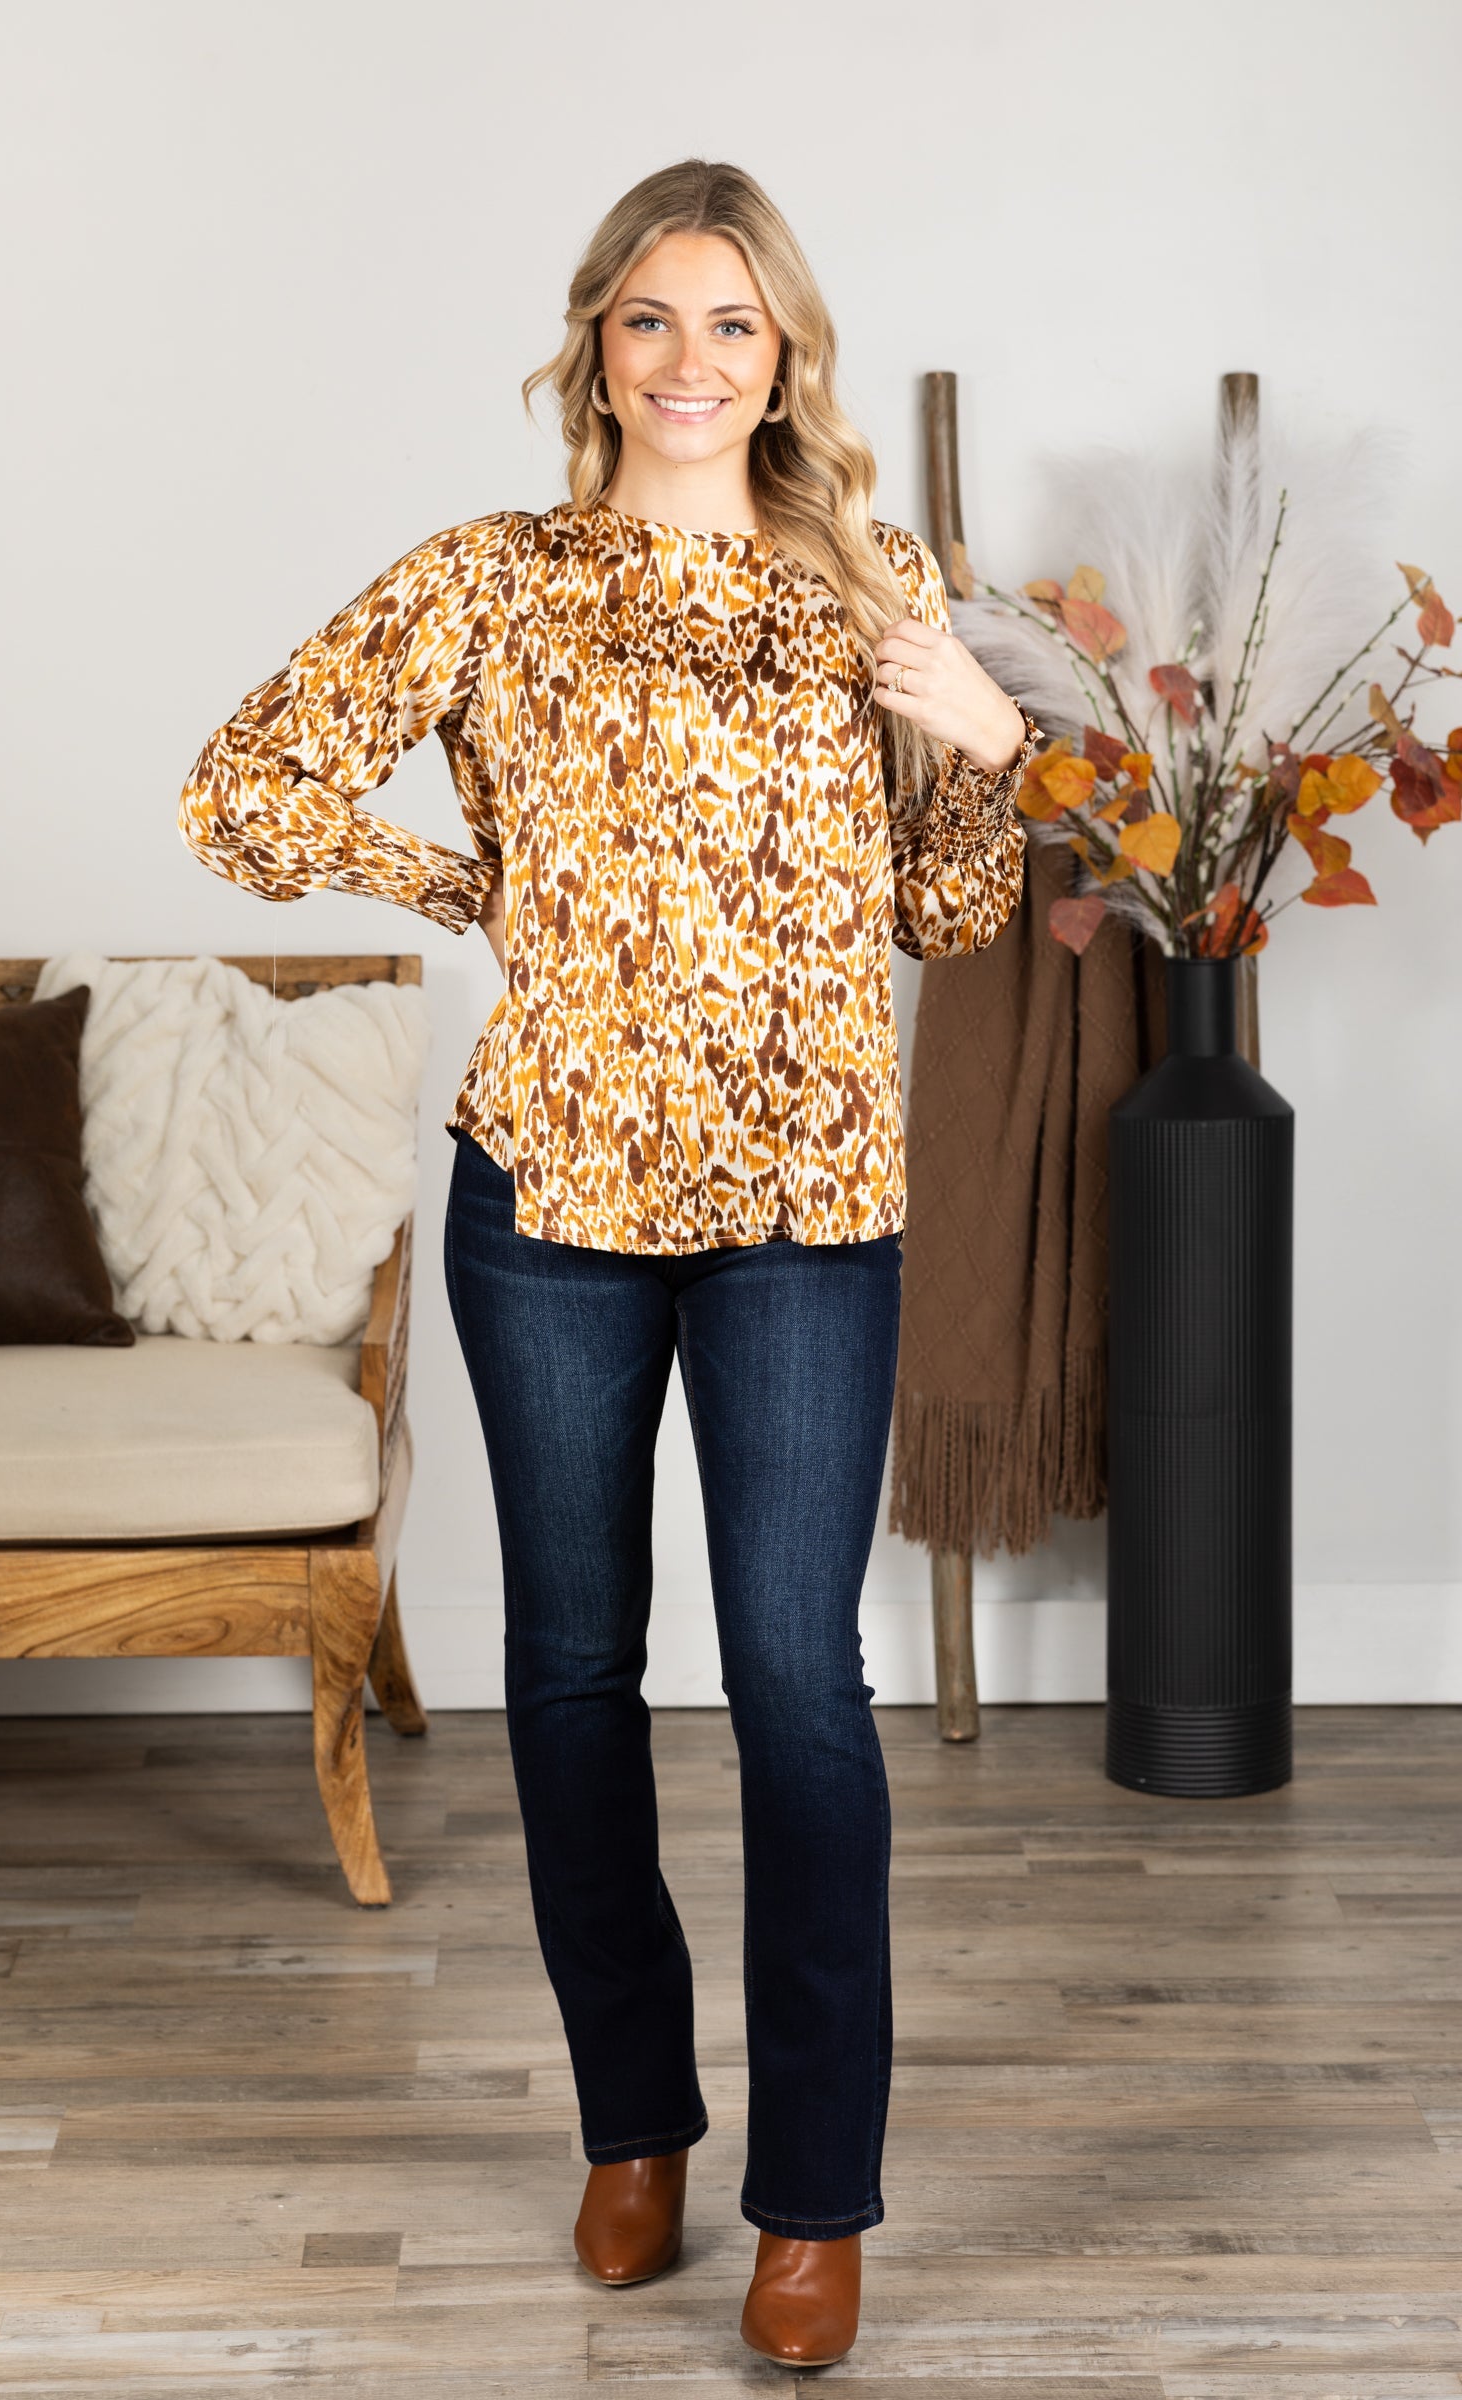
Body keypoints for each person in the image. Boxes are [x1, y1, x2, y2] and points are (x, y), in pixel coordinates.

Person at [178, 156, 1038, 2370]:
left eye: (731, 323)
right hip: (549, 1195)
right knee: (569, 1676)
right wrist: (475, 886)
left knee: (796, 1684)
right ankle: (631, 2125)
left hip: (807, 1205)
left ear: (785, 356)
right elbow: (243, 794)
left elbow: (945, 915)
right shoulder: (492, 577)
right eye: (649, 317)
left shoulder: (873, 581)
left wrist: (988, 752)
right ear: (595, 343)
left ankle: (815, 2201)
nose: (688, 359)